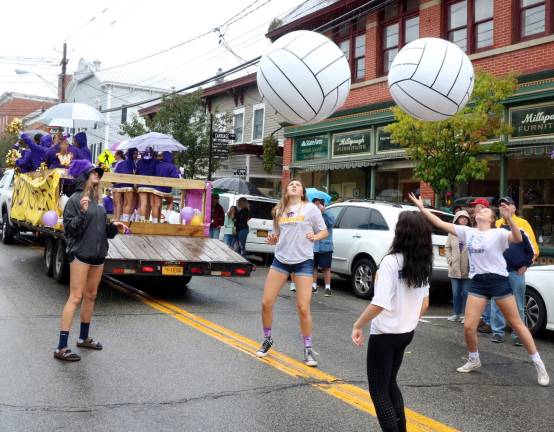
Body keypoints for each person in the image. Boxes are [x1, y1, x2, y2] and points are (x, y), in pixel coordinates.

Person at [409, 193, 549, 386]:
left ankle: (538, 363)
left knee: (517, 323)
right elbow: (441, 224)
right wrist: (422, 208)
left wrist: (509, 218)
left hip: (499, 281)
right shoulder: (468, 232)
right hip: (478, 283)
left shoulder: (499, 233)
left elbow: (517, 238)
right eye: (478, 210)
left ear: (491, 219)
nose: (479, 211)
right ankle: (474, 358)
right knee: (468, 326)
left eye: (484, 210)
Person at [352, 211, 431, 432]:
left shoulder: (390, 262)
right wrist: (406, 317)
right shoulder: (421, 263)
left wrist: (358, 325)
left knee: (378, 392)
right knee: (390, 383)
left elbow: (379, 303)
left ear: (401, 232)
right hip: (406, 333)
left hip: (385, 335)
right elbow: (425, 303)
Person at [54, 160, 127, 361]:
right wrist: (83, 213)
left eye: (99, 173)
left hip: (98, 255)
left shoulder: (98, 202)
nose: (98, 174)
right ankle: (61, 347)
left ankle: (83, 338)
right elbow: (70, 230)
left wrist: (114, 227)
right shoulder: (75, 200)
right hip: (80, 254)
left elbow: (103, 230)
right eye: (94, 171)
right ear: (84, 175)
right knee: (75, 297)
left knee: (92, 295)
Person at [256, 179, 328, 366]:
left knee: (303, 308)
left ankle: (308, 348)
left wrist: (315, 236)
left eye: (298, 185)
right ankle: (267, 339)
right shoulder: (279, 210)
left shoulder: (310, 209)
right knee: (266, 302)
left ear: (302, 191)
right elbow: (276, 237)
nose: (294, 186)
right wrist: (272, 241)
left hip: (303, 262)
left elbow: (324, 231)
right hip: (280, 260)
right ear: (287, 191)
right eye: (291, 184)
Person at [490, 196, 538, 345]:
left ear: (514, 208)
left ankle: (518, 335)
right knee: (496, 303)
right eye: (501, 205)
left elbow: (533, 249)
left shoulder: (523, 224)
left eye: (506, 205)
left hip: (516, 272)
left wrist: (526, 265)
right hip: (498, 271)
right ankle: (497, 332)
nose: (503, 207)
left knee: (518, 305)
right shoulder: (496, 225)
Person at [469, 197, 493, 334]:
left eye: (477, 206)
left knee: (488, 297)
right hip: (475, 269)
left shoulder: (490, 229)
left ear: (484, 208)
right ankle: (482, 320)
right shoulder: (473, 227)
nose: (474, 209)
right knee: (478, 296)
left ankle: (488, 321)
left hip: (487, 270)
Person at [445, 210, 471, 323]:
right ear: (457, 219)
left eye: (466, 218)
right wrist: (450, 259)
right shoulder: (451, 232)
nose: (464, 219)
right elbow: (447, 247)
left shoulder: (471, 232)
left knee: (466, 293)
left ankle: (466, 315)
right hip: (454, 268)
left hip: (468, 268)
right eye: (461, 217)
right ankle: (456, 314)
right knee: (455, 292)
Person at [312, 198, 335, 296]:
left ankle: (328, 288)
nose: (316, 206)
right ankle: (313, 286)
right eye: (315, 204)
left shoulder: (328, 214)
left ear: (322, 204)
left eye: (318, 204)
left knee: (326, 267)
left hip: (325, 246)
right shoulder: (312, 214)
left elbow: (332, 223)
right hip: (313, 245)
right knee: (313, 267)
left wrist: (324, 212)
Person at [152, 151, 180, 223]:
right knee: (170, 202)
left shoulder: (158, 165)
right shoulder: (172, 166)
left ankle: (154, 222)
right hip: (167, 190)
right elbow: (175, 177)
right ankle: (166, 219)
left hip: (157, 188)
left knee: (156, 206)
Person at [113, 147, 138, 222]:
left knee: (120, 203)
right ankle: (125, 220)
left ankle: (118, 219)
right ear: (131, 154)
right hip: (128, 185)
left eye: (137, 154)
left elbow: (116, 173)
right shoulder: (132, 163)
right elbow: (135, 174)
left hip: (118, 185)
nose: (136, 155)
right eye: (135, 153)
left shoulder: (121, 163)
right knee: (128, 203)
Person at [136, 146, 158, 222]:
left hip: (142, 185)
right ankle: (151, 221)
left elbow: (137, 173)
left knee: (143, 204)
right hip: (152, 186)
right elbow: (157, 173)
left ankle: (142, 221)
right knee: (152, 204)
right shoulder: (156, 162)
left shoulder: (140, 161)